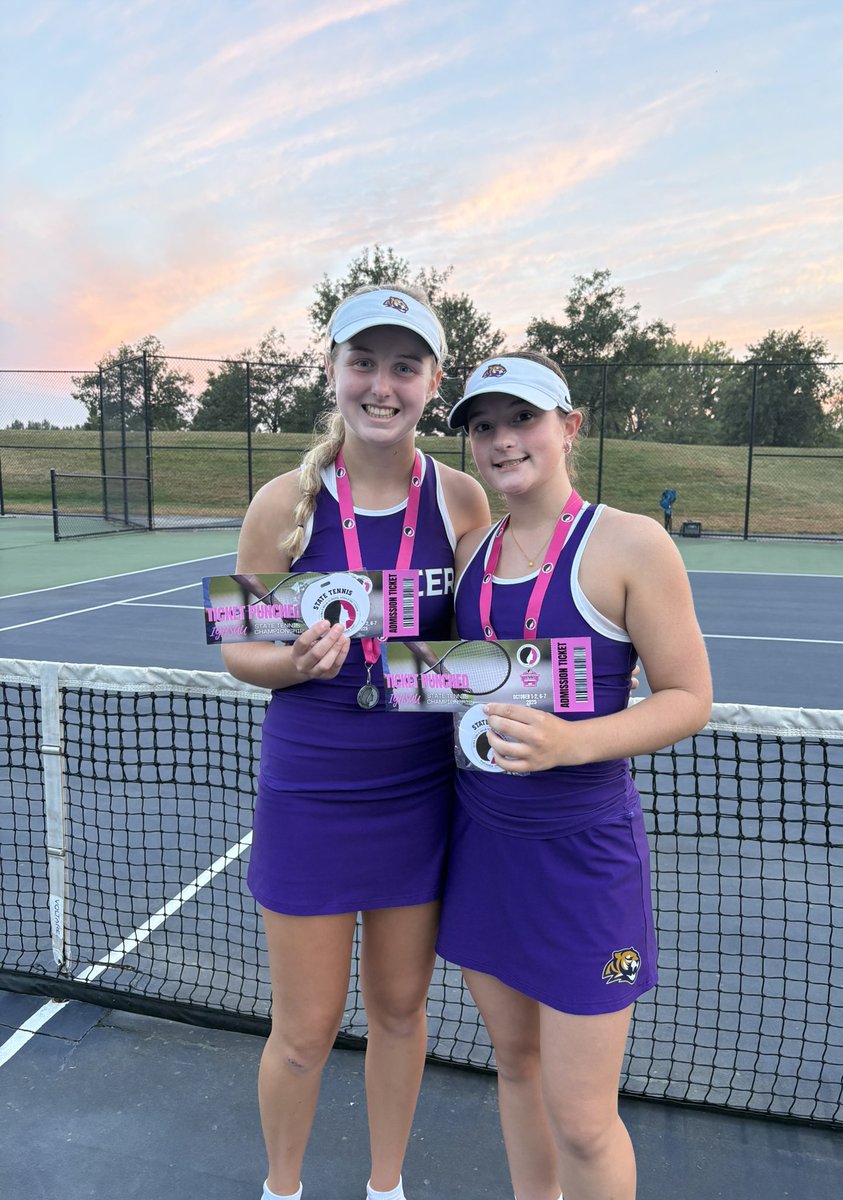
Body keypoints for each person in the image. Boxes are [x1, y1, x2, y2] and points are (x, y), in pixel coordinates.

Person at [221, 284, 490, 1200]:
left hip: (420, 799)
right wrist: (291, 664)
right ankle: (281, 1189)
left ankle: (385, 1187)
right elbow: (238, 652)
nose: (383, 386)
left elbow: (484, 643)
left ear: (432, 382)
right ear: (332, 372)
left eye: (404, 367)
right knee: (302, 1031)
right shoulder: (282, 505)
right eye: (364, 363)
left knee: (401, 1012)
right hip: (310, 797)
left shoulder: (462, 503)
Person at [436, 352, 713, 1200]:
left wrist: (571, 742)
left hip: (585, 865)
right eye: (483, 425)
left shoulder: (631, 543)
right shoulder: (475, 547)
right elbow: (451, 676)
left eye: (522, 418)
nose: (502, 439)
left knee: (586, 1117)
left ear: (570, 426)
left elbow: (690, 698)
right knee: (516, 1071)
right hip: (484, 852)